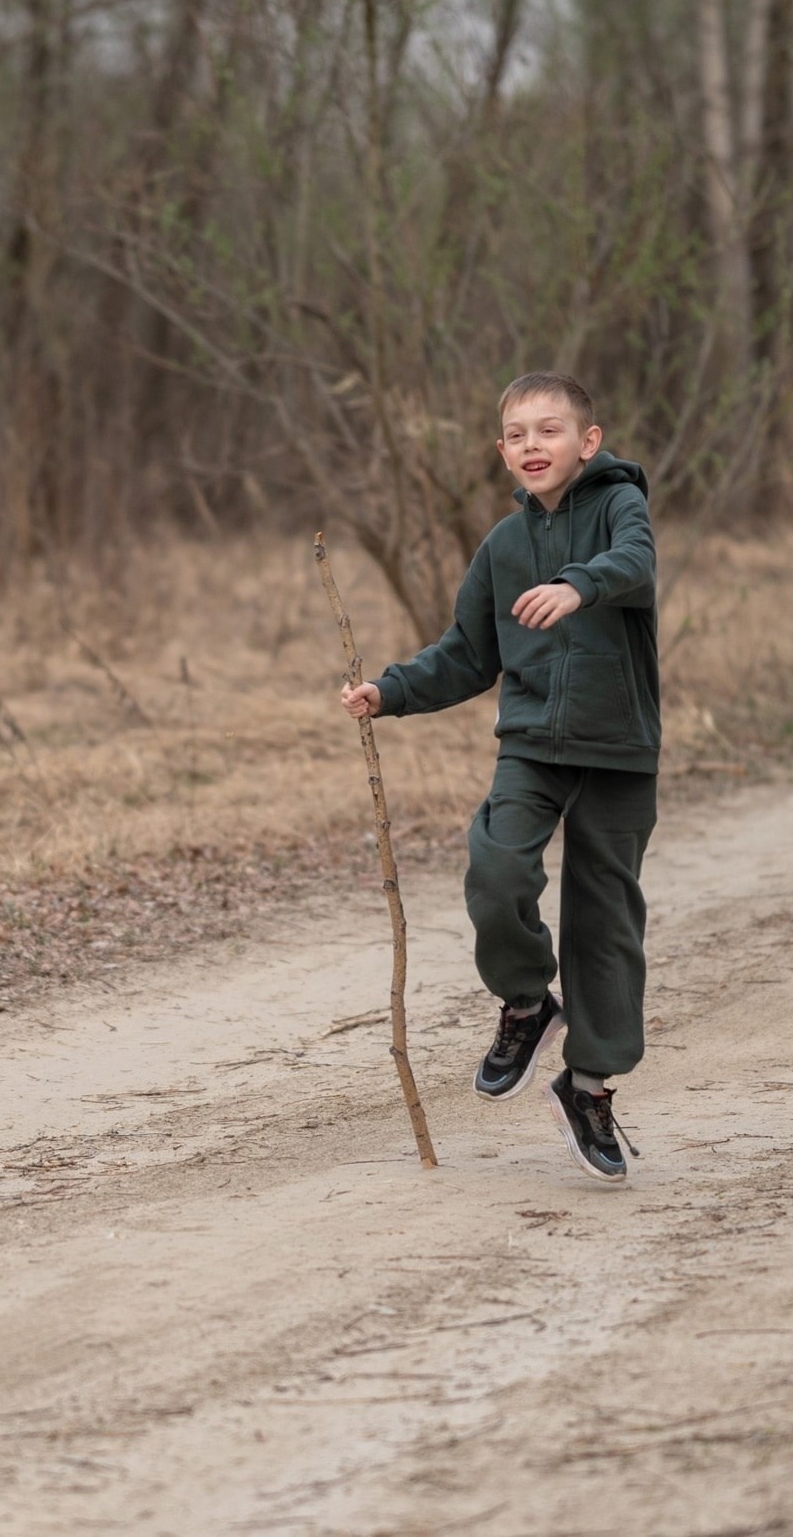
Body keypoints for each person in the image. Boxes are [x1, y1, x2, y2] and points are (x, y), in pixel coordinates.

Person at [340, 372, 658, 1181]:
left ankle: (588, 1087)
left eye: (548, 431)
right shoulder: (502, 547)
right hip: (531, 748)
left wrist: (579, 585)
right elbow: (466, 655)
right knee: (497, 867)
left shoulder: (620, 505)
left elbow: (635, 561)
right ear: (500, 452)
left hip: (618, 751)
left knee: (606, 923)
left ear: (587, 442)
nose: (531, 446)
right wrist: (390, 690)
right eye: (516, 435)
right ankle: (525, 1000)